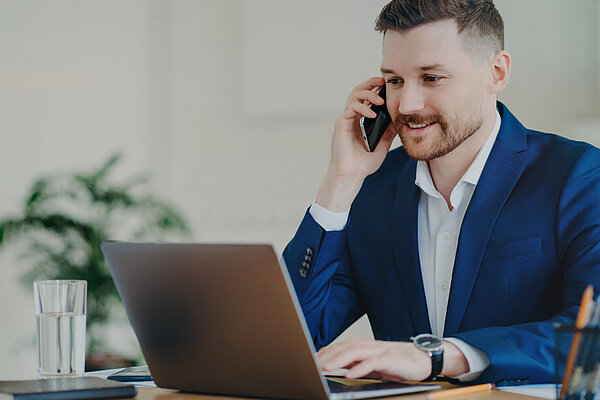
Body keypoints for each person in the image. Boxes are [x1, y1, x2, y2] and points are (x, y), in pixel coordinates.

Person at [282, 0, 600, 386]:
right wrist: (340, 182)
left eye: (431, 78)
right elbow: (289, 340)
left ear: (496, 72)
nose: (408, 105)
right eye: (395, 81)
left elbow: (591, 341)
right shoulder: (372, 191)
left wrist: (438, 356)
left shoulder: (580, 176)